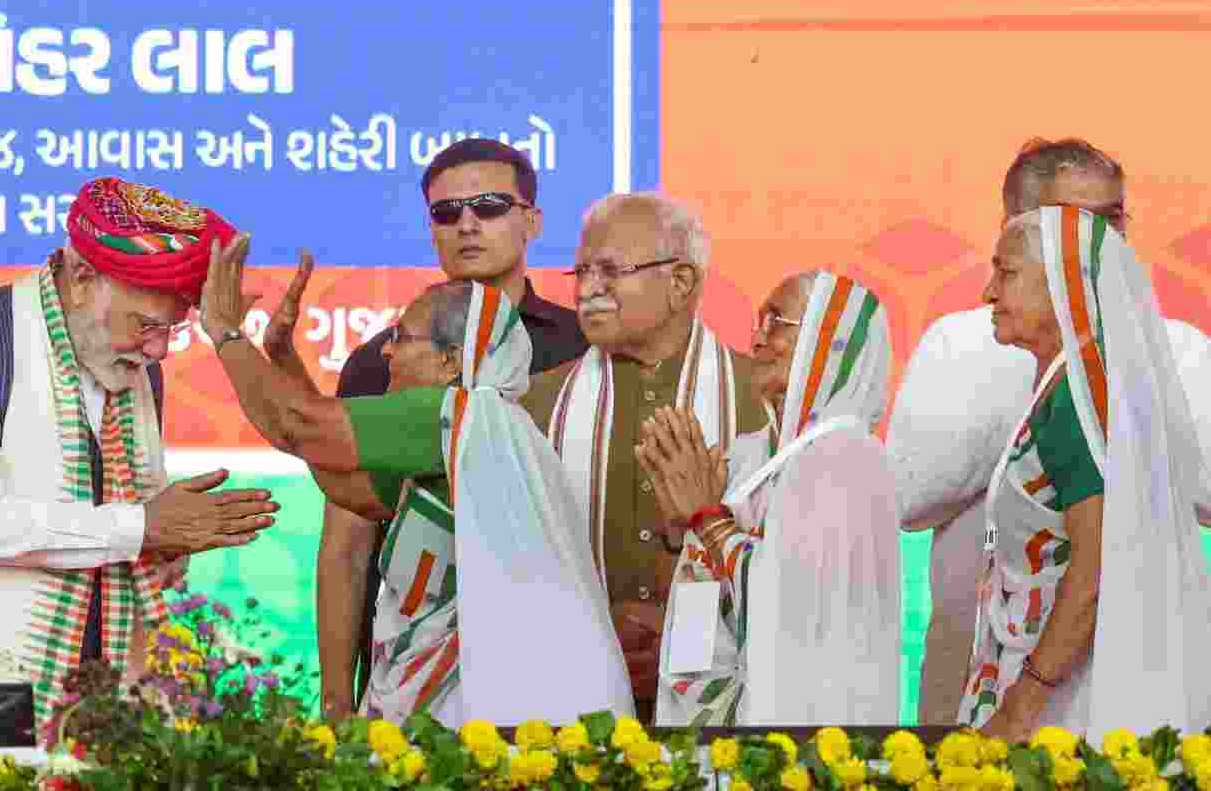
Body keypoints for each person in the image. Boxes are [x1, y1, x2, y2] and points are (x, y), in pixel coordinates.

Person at [0, 177, 279, 732]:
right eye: (146, 325)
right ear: (84, 278)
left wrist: (166, 546)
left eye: (171, 329)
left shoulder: (137, 370)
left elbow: (123, 530)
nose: (159, 348)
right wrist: (142, 528)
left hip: (78, 713)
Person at [199, 234, 633, 726]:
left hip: (484, 711)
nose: (386, 353)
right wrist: (282, 358)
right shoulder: (476, 437)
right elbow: (342, 481)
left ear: (452, 362)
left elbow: (297, 427)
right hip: (474, 709)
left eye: (401, 338)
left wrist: (224, 333)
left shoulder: (455, 414)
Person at [889, 137, 1211, 725]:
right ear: (1018, 229)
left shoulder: (1176, 349)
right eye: (1080, 224)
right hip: (982, 658)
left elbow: (1113, 550)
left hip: (1074, 685)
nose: (1103, 244)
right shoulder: (964, 341)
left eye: (1114, 220)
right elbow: (907, 501)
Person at [318, 138, 588, 721]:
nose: (467, 224)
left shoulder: (586, 349)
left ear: (532, 221)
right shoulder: (380, 362)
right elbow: (346, 543)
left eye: (489, 206)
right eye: (447, 212)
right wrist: (336, 701)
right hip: (408, 681)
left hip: (549, 667)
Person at [960, 206, 1211, 742]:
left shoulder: (1081, 394)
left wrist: (1022, 705)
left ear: (1062, 285)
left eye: (1005, 273)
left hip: (1067, 708)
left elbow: (1098, 568)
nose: (987, 291)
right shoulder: (1077, 383)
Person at [518, 192, 768, 723]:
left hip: (733, 698)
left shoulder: (763, 400)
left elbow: (794, 568)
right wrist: (594, 640)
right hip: (570, 696)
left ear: (681, 283)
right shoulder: (534, 404)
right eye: (581, 272)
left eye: (611, 271)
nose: (588, 290)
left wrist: (684, 646)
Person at [641, 270, 902, 726]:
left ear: (828, 343)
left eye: (777, 321)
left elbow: (788, 609)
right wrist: (681, 532)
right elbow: (706, 604)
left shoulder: (842, 457)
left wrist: (706, 518)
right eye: (758, 320)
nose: (757, 338)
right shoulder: (753, 453)